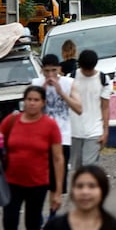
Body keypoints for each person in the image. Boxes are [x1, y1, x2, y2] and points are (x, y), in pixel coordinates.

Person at [0, 86, 65, 230]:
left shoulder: (49, 125)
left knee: (31, 225)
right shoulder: (11, 121)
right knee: (9, 222)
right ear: (24, 101)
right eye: (29, 99)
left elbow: (58, 159)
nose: (32, 103)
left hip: (38, 182)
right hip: (12, 181)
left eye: (36, 99)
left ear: (43, 102)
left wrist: (58, 191)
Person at [32, 54, 82, 196]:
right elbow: (31, 110)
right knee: (40, 180)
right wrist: (42, 90)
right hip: (41, 136)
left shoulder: (69, 83)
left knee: (58, 182)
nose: (50, 75)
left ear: (59, 69)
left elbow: (79, 108)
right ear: (42, 71)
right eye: (47, 71)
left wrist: (61, 92)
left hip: (62, 135)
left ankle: (54, 213)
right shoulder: (36, 83)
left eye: (54, 70)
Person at [70, 50, 111, 171]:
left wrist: (105, 130)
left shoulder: (103, 79)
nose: (87, 73)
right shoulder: (71, 78)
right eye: (85, 70)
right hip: (74, 131)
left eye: (90, 70)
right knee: (75, 168)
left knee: (89, 167)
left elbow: (105, 106)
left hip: (94, 131)